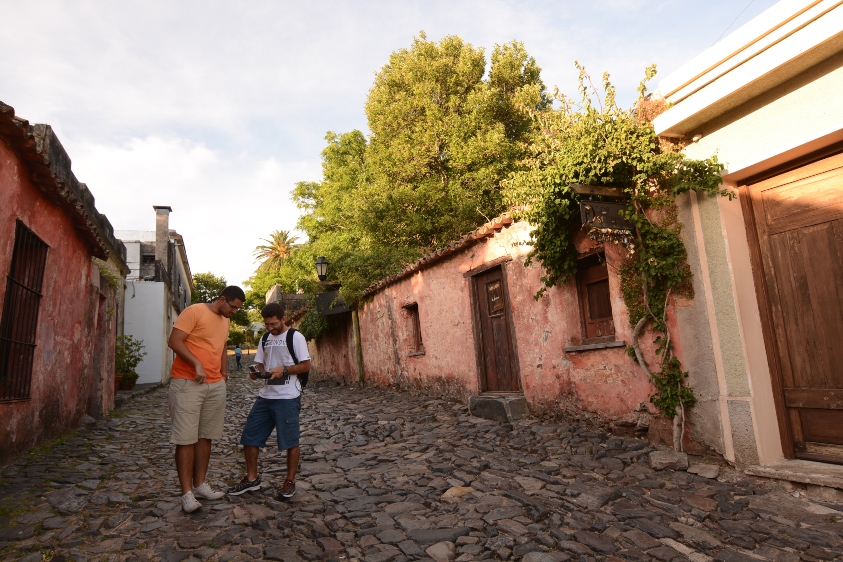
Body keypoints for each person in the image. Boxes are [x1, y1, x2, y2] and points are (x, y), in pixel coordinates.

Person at [167, 285, 245, 513]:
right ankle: (186, 494)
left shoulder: (226, 320)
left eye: (238, 309)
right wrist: (196, 363)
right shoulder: (195, 311)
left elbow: (221, 347)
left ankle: (200, 485)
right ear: (222, 299)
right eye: (233, 307)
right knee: (186, 438)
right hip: (187, 383)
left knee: (206, 436)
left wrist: (224, 374)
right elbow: (175, 341)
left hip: (214, 385)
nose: (234, 313)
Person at [228, 302, 310, 500]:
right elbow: (262, 362)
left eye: (273, 324)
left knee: (290, 441)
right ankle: (252, 479)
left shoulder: (295, 337)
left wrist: (285, 369)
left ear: (283, 319)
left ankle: (289, 482)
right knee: (250, 436)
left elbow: (306, 365)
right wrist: (257, 373)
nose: (270, 328)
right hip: (266, 395)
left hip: (288, 396)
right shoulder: (265, 338)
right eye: (267, 325)